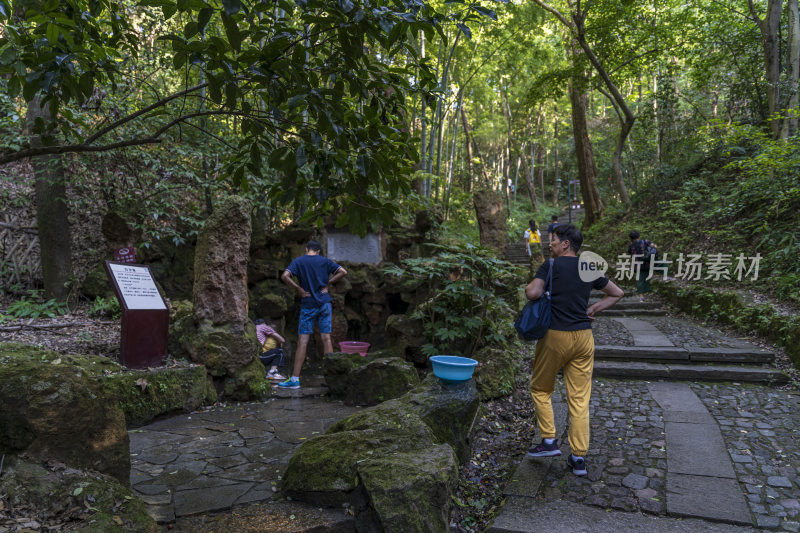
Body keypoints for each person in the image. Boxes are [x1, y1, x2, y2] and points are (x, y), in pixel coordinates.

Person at [524, 224, 623, 476]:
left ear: (566, 243)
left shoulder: (551, 265)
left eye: (554, 240)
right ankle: (578, 458)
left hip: (555, 335)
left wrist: (537, 288)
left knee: (540, 388)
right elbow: (616, 293)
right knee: (579, 398)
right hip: (584, 337)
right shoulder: (588, 267)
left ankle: (548, 441)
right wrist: (593, 309)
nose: (551, 244)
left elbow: (533, 292)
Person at [279, 240, 348, 389]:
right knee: (326, 338)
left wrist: (298, 289)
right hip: (324, 303)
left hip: (308, 304)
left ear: (306, 249)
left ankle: (295, 379)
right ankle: (331, 377)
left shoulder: (298, 261)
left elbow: (285, 276)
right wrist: (327, 284)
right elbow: (343, 272)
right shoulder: (325, 261)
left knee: (303, 341)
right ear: (318, 251)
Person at [627, 230, 657, 301]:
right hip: (647, 263)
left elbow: (630, 253)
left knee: (640, 279)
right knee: (647, 276)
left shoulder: (631, 246)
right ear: (638, 236)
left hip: (637, 264)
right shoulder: (645, 241)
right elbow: (654, 246)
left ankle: (641, 295)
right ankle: (646, 290)